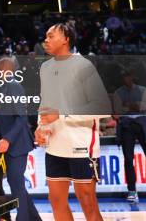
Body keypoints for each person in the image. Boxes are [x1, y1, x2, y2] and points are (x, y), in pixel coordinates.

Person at [35, 24, 111, 221]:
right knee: (56, 201)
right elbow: (46, 104)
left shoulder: (83, 65)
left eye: (51, 36)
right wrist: (41, 127)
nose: (46, 40)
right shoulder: (45, 67)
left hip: (81, 145)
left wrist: (61, 115)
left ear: (66, 38)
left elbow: (102, 106)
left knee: (87, 202)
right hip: (55, 146)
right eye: (45, 36)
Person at [0, 57, 41, 221]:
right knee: (17, 185)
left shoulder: (14, 86)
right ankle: (34, 218)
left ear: (5, 68)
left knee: (16, 185)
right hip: (11, 144)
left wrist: (7, 139)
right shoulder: (4, 87)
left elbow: (21, 117)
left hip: (17, 143)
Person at [113, 67, 146, 203]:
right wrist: (136, 106)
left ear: (133, 76)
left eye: (128, 76)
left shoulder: (143, 90)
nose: (126, 78)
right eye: (124, 76)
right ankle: (132, 191)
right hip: (126, 125)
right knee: (128, 160)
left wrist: (128, 105)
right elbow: (118, 110)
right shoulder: (118, 92)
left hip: (142, 124)